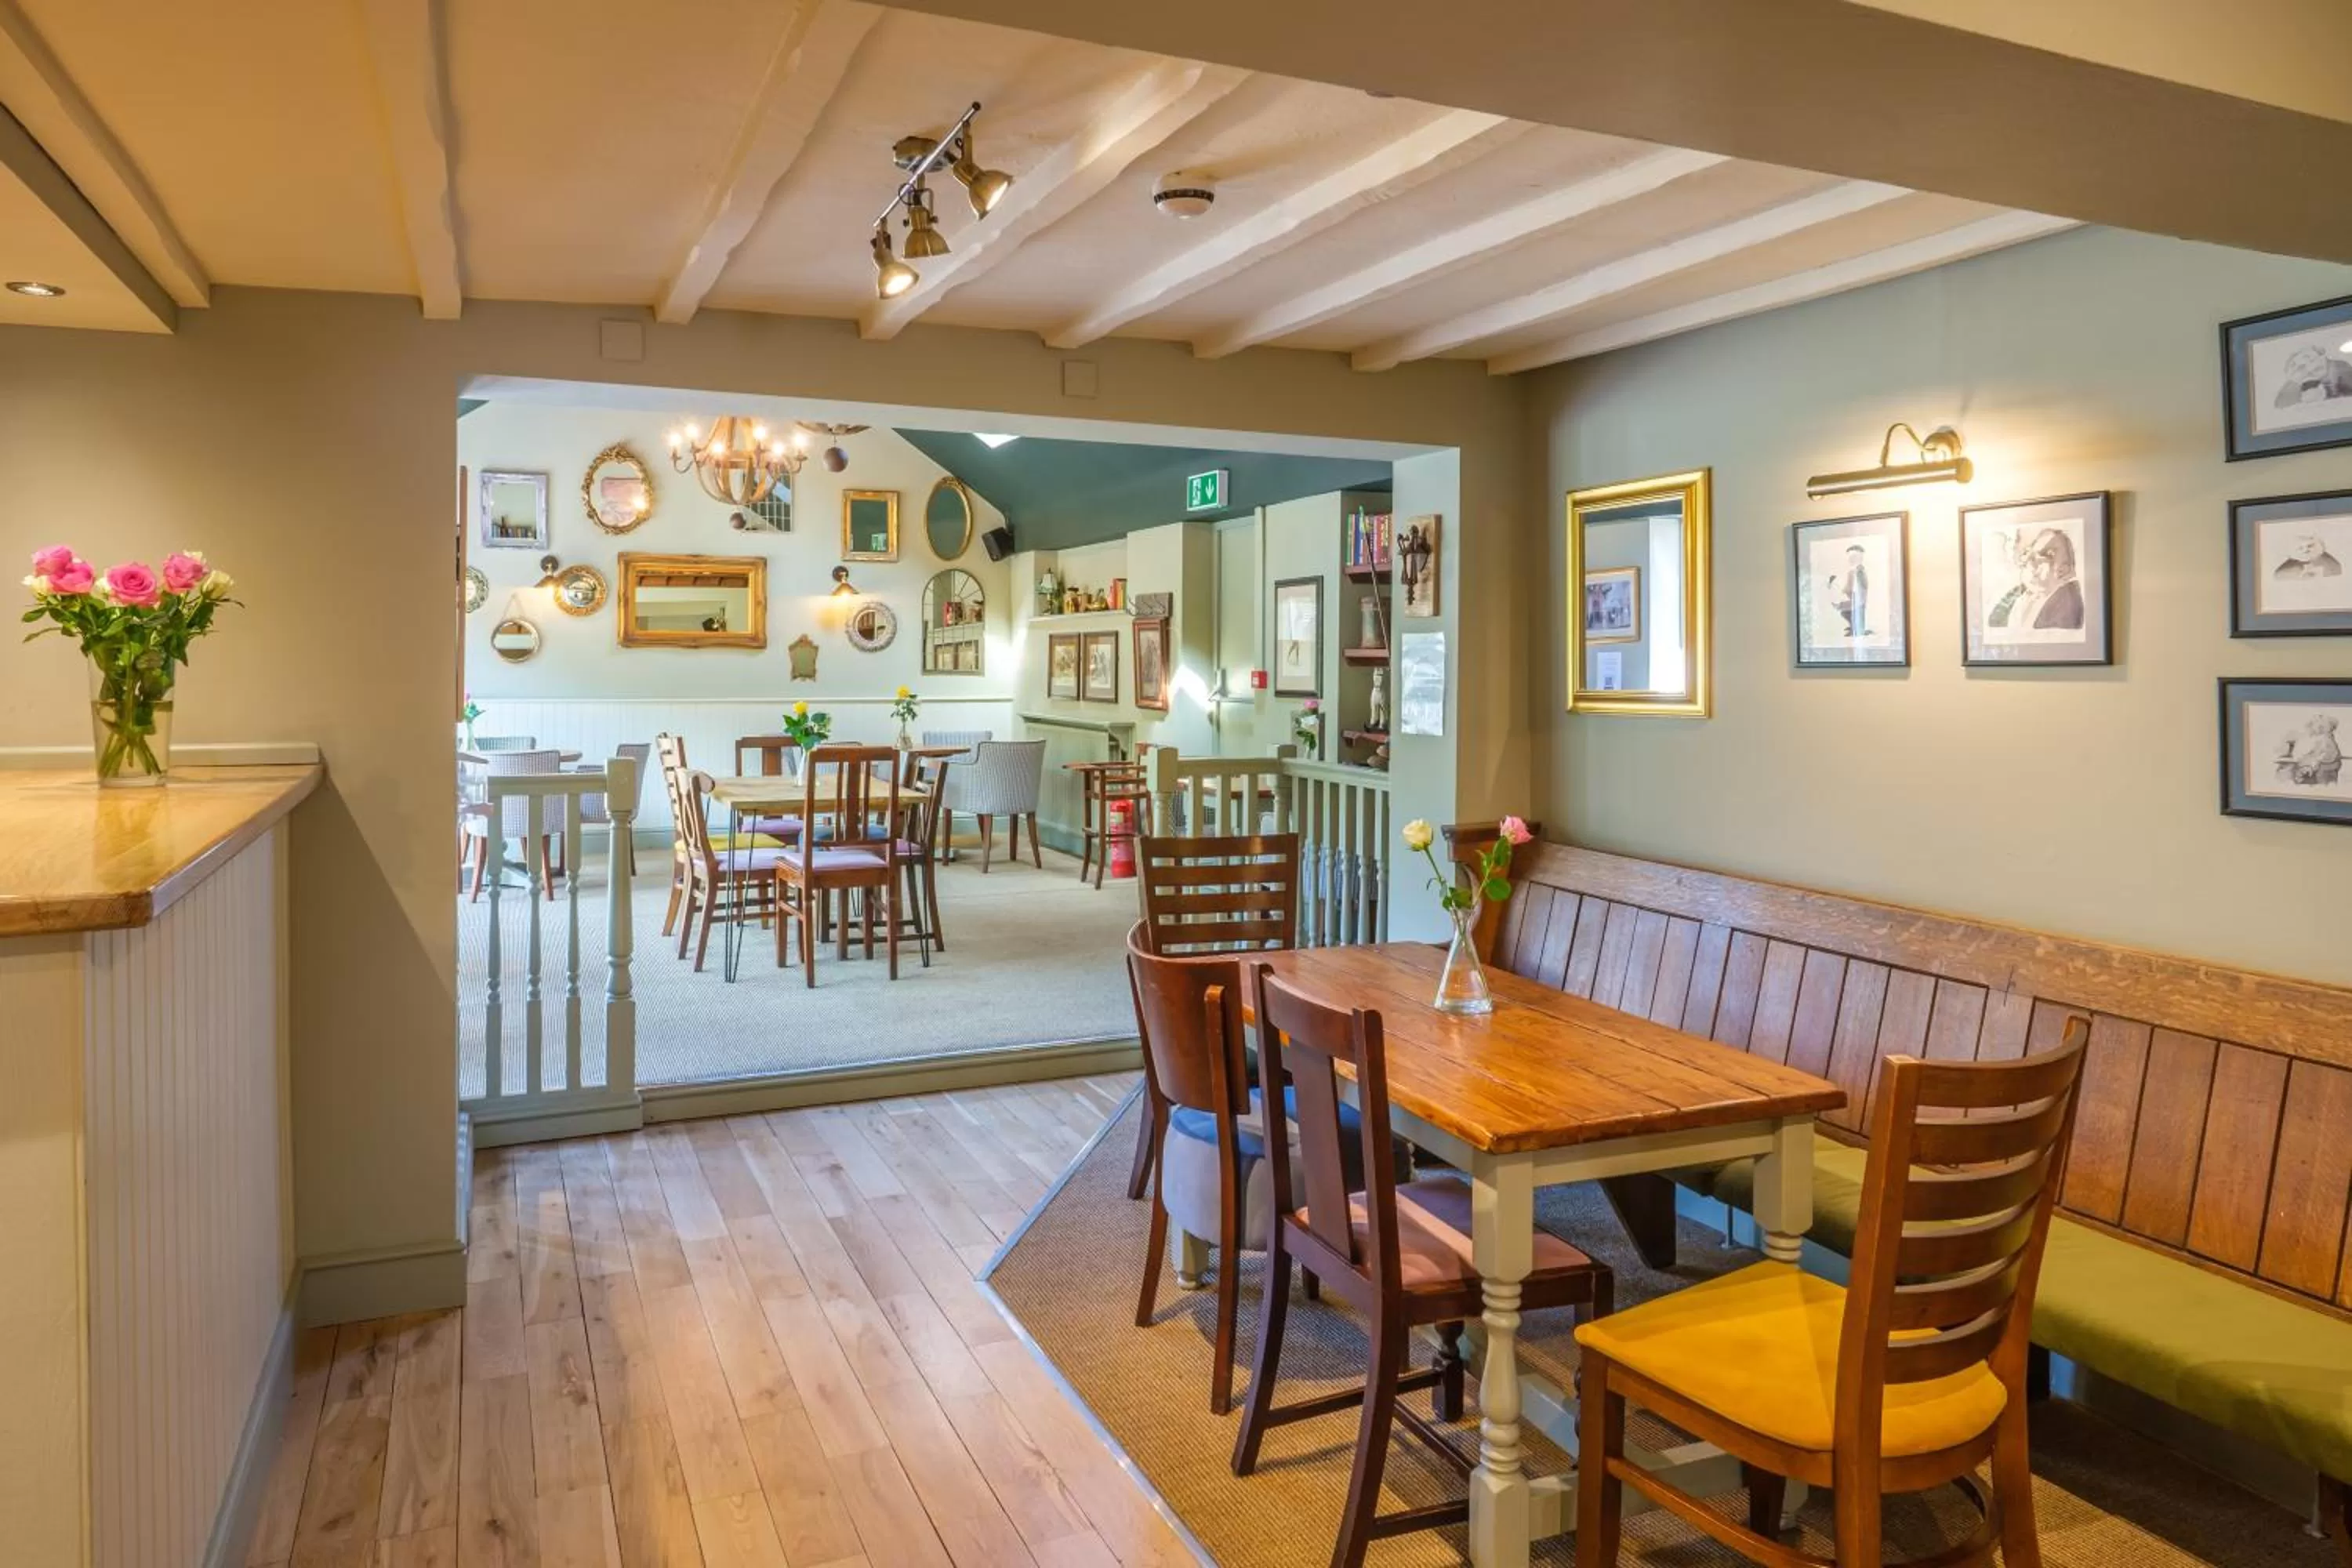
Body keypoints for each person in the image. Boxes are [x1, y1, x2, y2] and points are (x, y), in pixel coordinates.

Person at [1987, 527, 2085, 631]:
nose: (2030, 563)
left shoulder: (2069, 605)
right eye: (2030, 555)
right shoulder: (2014, 596)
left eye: (2047, 556)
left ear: (2064, 570)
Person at [1828, 543, 1870, 638]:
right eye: (1850, 557)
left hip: (1858, 600)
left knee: (1842, 608)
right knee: (1842, 609)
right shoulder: (1852, 571)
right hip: (1853, 598)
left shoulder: (1859, 571)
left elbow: (1859, 587)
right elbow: (1848, 586)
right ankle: (1854, 627)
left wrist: (1846, 591)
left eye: (1854, 556)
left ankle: (1857, 629)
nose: (1851, 559)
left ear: (1860, 557)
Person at [2274, 532, 2345, 579]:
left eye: (2310, 546)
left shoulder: (2332, 564)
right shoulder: (2283, 572)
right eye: (2300, 548)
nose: (2306, 550)